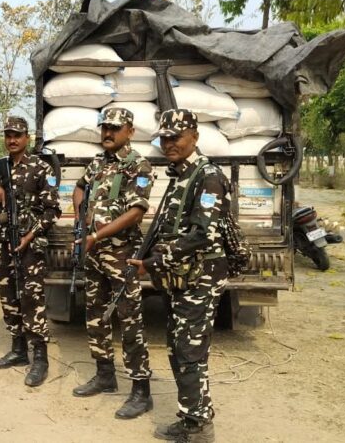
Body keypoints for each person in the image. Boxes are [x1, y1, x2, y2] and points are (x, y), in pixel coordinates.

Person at [128, 109, 230, 443]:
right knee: (178, 348)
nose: (169, 143)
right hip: (181, 279)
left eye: (177, 137)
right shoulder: (180, 176)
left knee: (189, 352)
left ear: (194, 137)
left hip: (200, 279)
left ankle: (199, 428)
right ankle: (191, 418)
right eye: (165, 138)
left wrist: (153, 262)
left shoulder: (208, 176)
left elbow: (201, 234)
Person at [71, 107, 156, 420]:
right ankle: (105, 375)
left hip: (122, 256)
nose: (107, 133)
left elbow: (136, 211)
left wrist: (97, 235)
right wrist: (80, 215)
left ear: (129, 131)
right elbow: (80, 187)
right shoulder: (97, 162)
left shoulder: (138, 165)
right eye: (104, 127)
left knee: (129, 320)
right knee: (95, 315)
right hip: (93, 254)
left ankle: (141, 391)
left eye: (115, 128)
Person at [0, 116, 61, 387]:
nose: (12, 140)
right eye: (8, 135)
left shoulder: (40, 168)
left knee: (31, 297)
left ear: (27, 138)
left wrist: (30, 235)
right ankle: (18, 350)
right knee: (8, 295)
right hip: (4, 243)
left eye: (17, 135)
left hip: (29, 243)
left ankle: (40, 358)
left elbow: (53, 210)